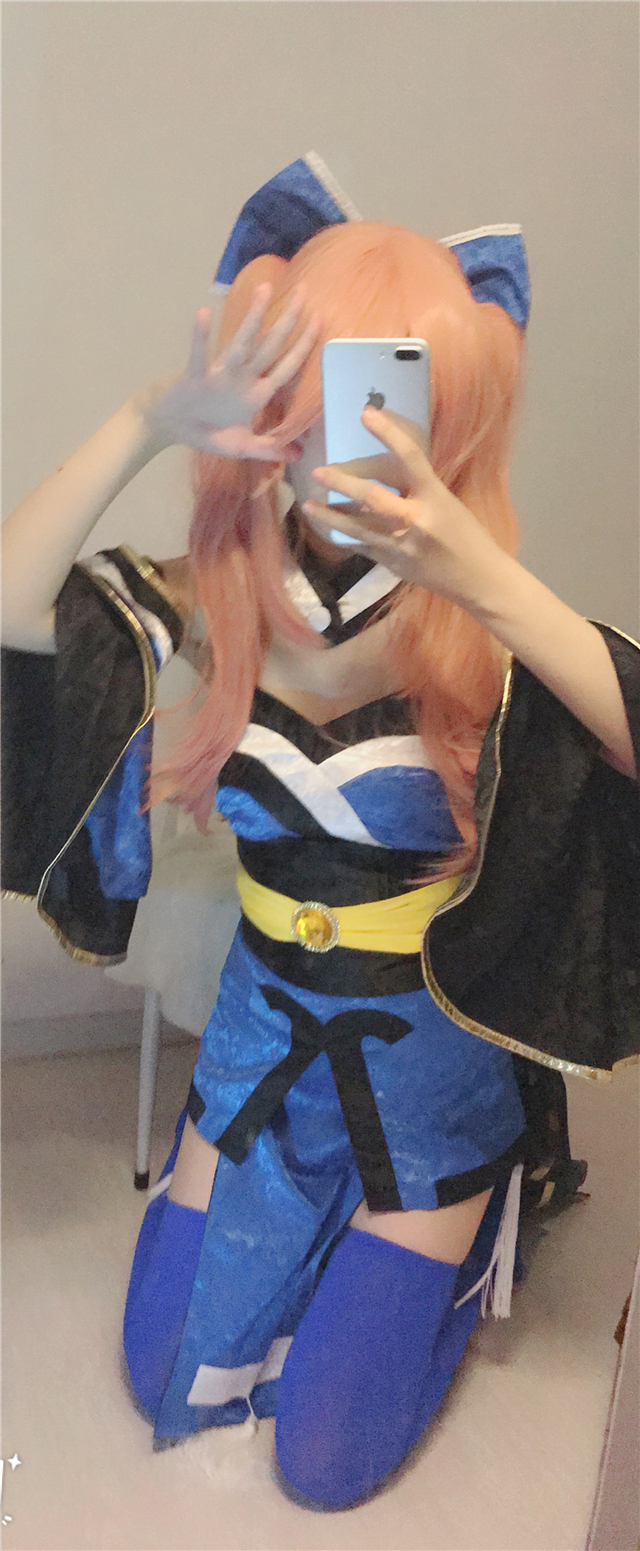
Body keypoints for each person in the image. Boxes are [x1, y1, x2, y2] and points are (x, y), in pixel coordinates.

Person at [2, 157, 638, 1509]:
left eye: (390, 400)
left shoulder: (480, 619)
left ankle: (485, 1200)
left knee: (327, 1461)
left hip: (432, 1057)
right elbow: (9, 613)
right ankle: (300, 1212)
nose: (344, 443)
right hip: (263, 1032)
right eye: (317, 398)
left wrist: (479, 571)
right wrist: (147, 419)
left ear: (446, 422)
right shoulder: (219, 594)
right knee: (161, 1374)